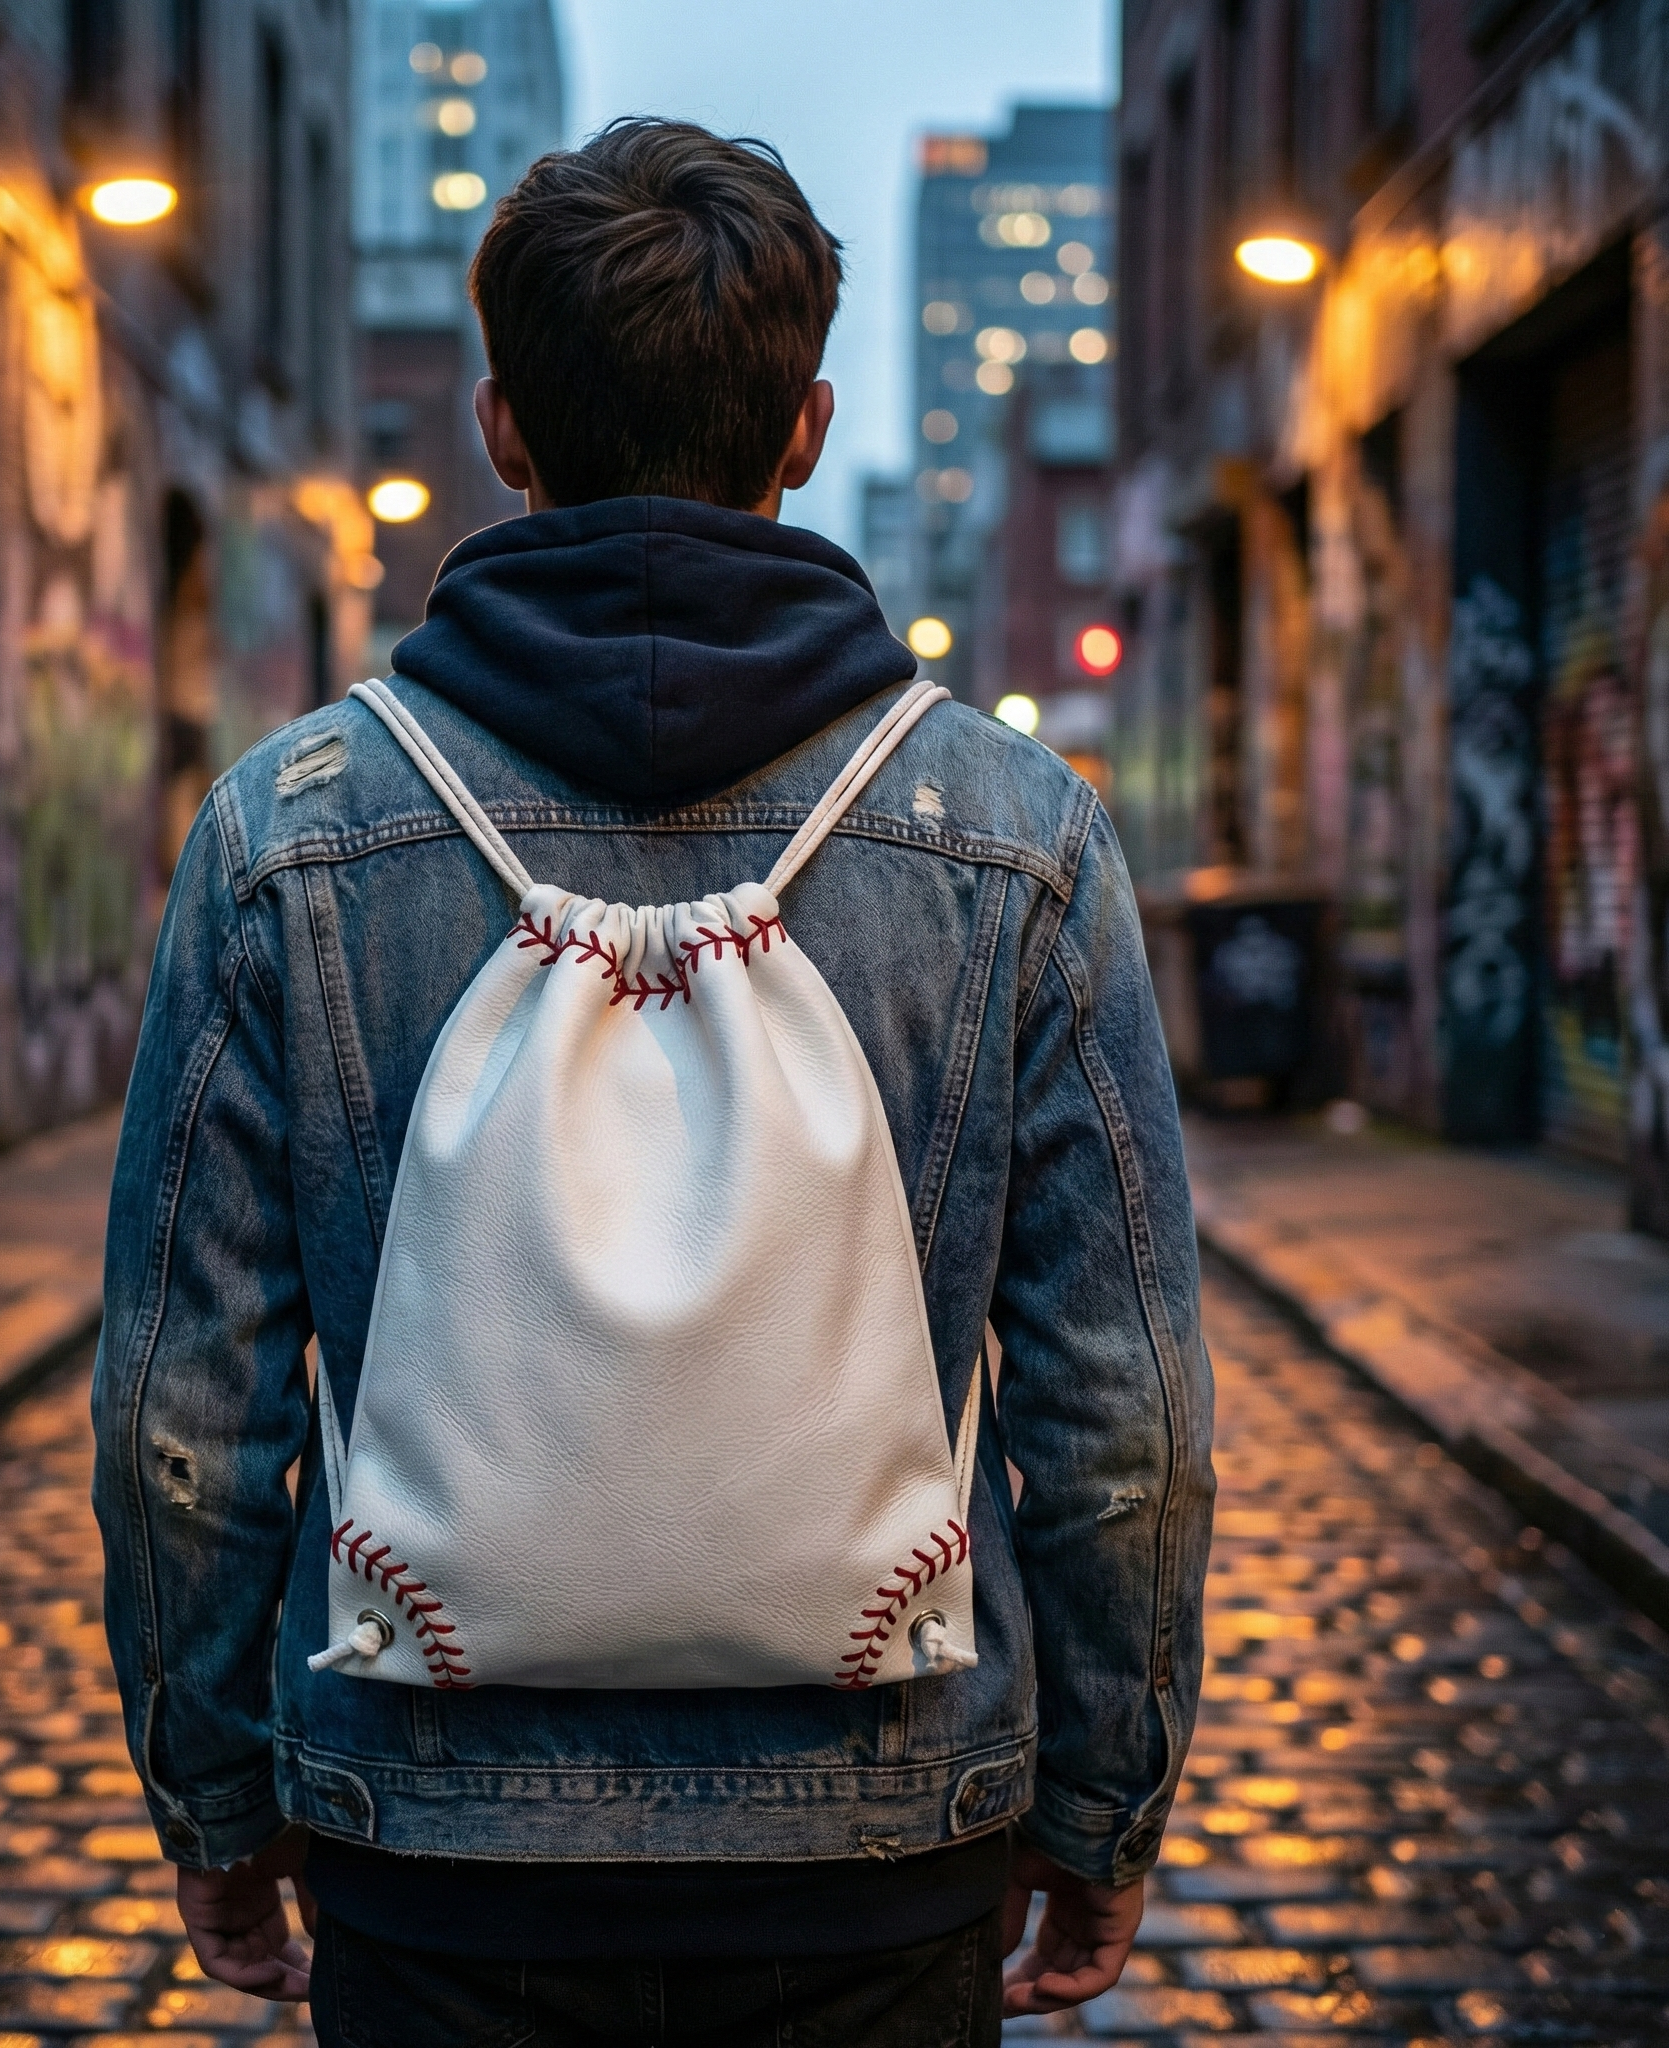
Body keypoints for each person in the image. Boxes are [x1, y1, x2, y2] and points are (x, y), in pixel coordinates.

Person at [93, 116, 1213, 2048]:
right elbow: (1122, 1418)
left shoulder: (292, 827)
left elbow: (186, 1410)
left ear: (503, 426)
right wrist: (1103, 1805)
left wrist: (214, 1793)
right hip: (878, 1844)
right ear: (804, 429)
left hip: (429, 1841)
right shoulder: (1016, 833)